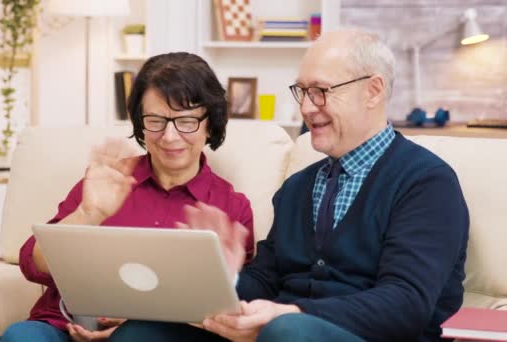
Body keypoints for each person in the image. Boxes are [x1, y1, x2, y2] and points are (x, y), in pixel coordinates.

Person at [109, 29, 470, 342]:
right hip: (277, 333)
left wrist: (288, 314)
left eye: (321, 91)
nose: (308, 108)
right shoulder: (299, 187)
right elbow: (265, 281)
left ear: (373, 90)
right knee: (141, 332)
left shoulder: (426, 182)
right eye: (303, 92)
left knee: (289, 333)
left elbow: (406, 304)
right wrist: (223, 274)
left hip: (348, 336)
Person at [0, 52, 255, 342]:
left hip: (158, 336)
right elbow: (32, 264)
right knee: (21, 337)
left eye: (186, 121)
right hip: (65, 328)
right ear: (139, 122)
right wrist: (88, 213)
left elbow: (235, 311)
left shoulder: (231, 206)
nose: (169, 136)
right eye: (155, 120)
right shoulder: (108, 178)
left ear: (210, 123)